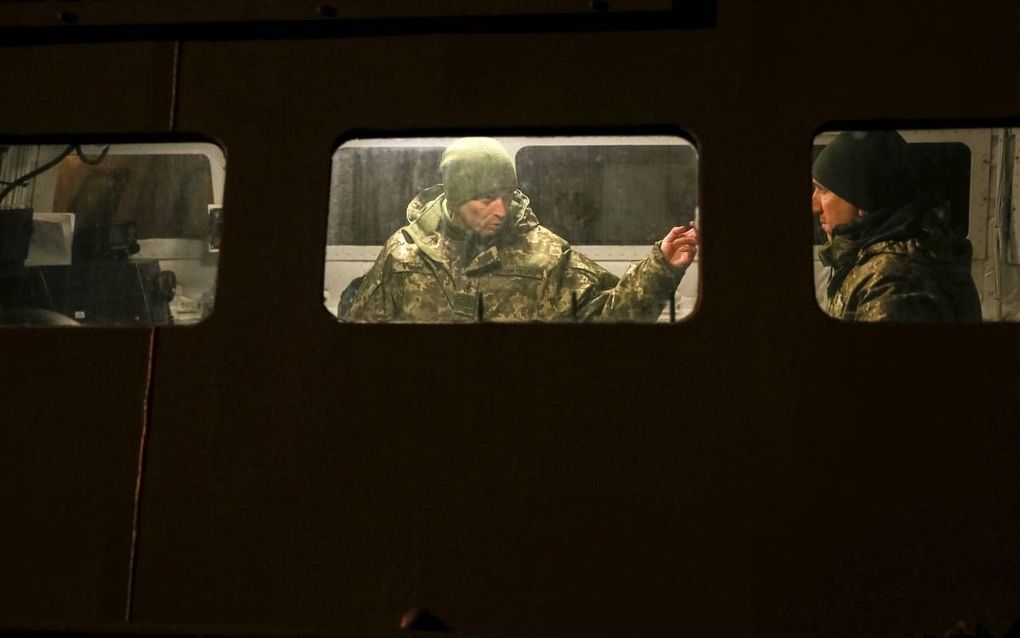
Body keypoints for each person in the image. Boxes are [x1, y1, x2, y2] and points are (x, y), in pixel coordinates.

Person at [342, 137, 698, 322]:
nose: (500, 210)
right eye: (484, 198)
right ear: (455, 196)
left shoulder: (545, 257)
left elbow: (609, 320)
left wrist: (660, 269)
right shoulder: (404, 255)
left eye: (507, 195)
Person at [811, 130, 981, 322]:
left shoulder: (894, 283)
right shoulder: (873, 258)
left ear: (861, 201)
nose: (814, 205)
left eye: (823, 191)